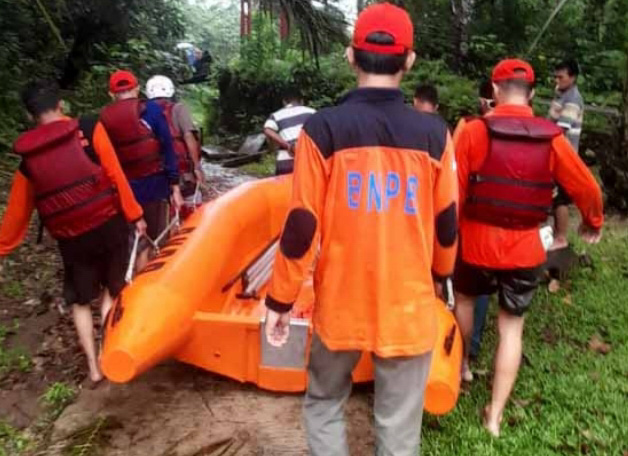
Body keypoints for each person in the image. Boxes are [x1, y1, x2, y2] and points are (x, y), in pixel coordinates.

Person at [264, 3, 458, 454]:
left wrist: (280, 298)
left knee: (325, 402)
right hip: (408, 306)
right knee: (397, 425)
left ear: (351, 57)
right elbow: (446, 223)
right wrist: (441, 275)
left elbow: (301, 225)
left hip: (340, 307)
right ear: (409, 61)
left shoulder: (323, 129)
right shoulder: (434, 134)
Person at [454, 58, 603, 437]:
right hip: (524, 249)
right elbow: (586, 187)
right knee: (511, 329)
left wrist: (448, 236)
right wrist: (594, 221)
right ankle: (494, 418)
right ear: (533, 94)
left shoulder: (472, 131)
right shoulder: (552, 137)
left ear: (494, 89)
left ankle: (461, 371)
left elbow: (450, 192)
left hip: (475, 243)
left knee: (466, 303)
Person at [0, 81, 147, 384]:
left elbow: (18, 212)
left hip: (70, 236)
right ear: (61, 105)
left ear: (30, 116)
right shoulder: (90, 128)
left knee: (80, 301)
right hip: (108, 224)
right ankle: (110, 353)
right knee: (113, 290)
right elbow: (115, 173)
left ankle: (93, 369)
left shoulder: (30, 157)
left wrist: (3, 247)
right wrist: (136, 215)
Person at [100, 70, 183, 272]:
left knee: (133, 241)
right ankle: (147, 287)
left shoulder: (104, 118)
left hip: (123, 191)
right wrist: (174, 185)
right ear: (137, 88)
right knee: (151, 241)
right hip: (154, 186)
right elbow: (167, 146)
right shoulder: (151, 110)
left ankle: (128, 281)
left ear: (111, 94)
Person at [453, 79, 495, 368]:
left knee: (466, 294)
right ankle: (475, 346)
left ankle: (463, 358)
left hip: (472, 225)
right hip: (512, 230)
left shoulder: (467, 127)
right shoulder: (528, 134)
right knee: (496, 302)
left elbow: (453, 174)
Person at [146, 75, 205, 217]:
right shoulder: (178, 109)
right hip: (181, 171)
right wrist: (197, 166)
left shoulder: (144, 112)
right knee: (192, 207)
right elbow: (189, 136)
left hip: (156, 173)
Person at [548, 59, 584, 251]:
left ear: (572, 77)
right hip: (556, 154)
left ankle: (561, 237)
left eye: (561, 77)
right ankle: (556, 235)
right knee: (553, 196)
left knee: (560, 198)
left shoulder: (573, 100)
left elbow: (560, 129)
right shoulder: (561, 94)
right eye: (556, 76)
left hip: (565, 156)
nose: (557, 79)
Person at [263, 89, 316, 176]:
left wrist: (288, 146)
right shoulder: (311, 112)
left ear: (284, 102)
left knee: (284, 188)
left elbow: (267, 130)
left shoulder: (276, 115)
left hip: (286, 161)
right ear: (302, 101)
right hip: (309, 160)